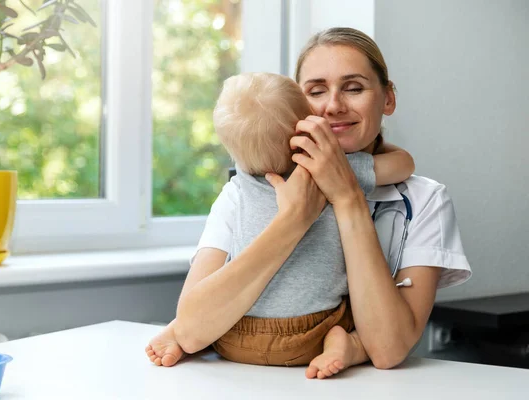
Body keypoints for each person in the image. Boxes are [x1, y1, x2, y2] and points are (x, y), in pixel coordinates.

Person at [146, 27, 471, 379]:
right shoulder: (243, 189)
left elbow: (388, 350)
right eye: (316, 91)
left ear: (388, 98)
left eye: (354, 87)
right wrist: (294, 219)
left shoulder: (425, 200)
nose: (333, 106)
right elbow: (192, 329)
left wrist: (347, 199)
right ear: (296, 105)